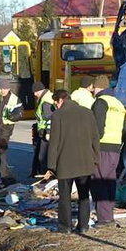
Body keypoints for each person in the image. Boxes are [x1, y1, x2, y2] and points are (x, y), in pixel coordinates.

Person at [46, 89, 100, 234]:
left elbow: (54, 142)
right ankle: (83, 226)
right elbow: (95, 137)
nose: (56, 106)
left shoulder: (58, 115)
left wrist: (51, 165)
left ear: (60, 100)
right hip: (85, 161)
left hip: (65, 163)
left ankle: (65, 227)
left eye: (55, 103)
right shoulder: (87, 113)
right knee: (83, 195)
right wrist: (96, 158)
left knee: (65, 197)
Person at [90, 75, 125, 227]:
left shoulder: (100, 102)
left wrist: (90, 144)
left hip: (102, 146)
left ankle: (104, 219)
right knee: (110, 182)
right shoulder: (118, 103)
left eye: (93, 87)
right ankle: (109, 215)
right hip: (115, 147)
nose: (92, 90)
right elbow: (124, 128)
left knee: (99, 182)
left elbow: (97, 128)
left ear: (98, 87)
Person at [30, 81, 54, 177]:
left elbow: (49, 118)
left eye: (36, 92)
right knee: (41, 156)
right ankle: (41, 174)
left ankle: (46, 177)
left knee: (43, 157)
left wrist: (47, 131)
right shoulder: (45, 98)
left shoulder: (46, 101)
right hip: (43, 133)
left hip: (46, 133)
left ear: (41, 90)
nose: (35, 94)